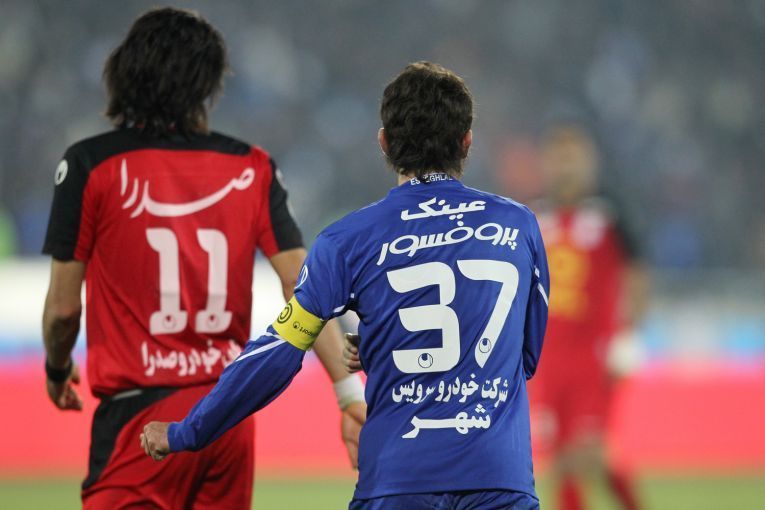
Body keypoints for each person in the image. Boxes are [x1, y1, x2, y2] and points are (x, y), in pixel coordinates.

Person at [142, 61, 550, 510]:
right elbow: (524, 356)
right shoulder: (519, 226)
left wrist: (188, 431)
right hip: (500, 478)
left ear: (384, 142)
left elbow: (279, 350)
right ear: (467, 141)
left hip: (398, 480)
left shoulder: (346, 240)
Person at [41, 8, 365, 510]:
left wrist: (58, 369)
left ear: (125, 74)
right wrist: (348, 393)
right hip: (224, 418)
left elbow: (64, 311)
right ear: (209, 82)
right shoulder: (252, 167)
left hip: (138, 419)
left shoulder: (91, 164)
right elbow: (304, 286)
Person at [529, 123, 648, 510]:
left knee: (588, 452)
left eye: (573, 157)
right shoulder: (534, 217)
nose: (566, 167)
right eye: (558, 157)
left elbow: (636, 275)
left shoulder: (609, 215)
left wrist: (630, 333)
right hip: (548, 357)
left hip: (593, 355)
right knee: (563, 459)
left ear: (589, 162)